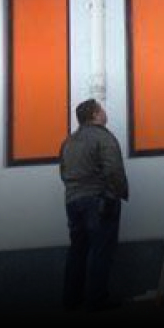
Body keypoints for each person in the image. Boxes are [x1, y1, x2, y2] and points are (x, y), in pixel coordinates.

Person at [60, 99, 130, 311]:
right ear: (95, 114)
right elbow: (114, 171)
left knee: (78, 250)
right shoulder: (103, 137)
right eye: (101, 109)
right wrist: (117, 194)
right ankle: (97, 300)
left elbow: (63, 172)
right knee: (101, 250)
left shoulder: (69, 141)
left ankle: (72, 300)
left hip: (73, 201)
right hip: (99, 200)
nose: (104, 112)